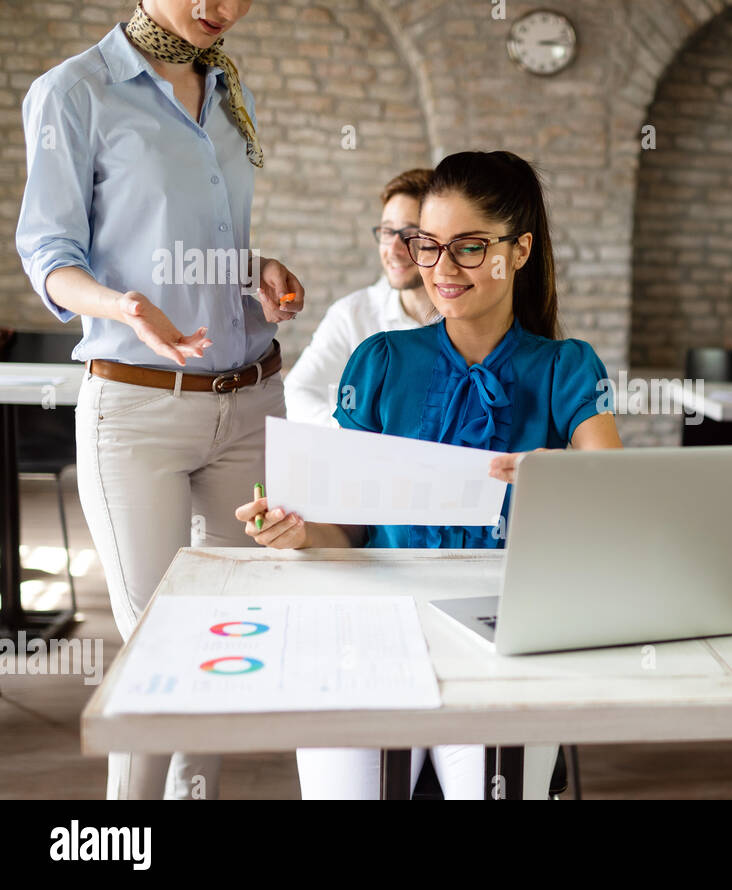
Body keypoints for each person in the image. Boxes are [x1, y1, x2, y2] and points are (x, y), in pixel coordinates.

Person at [235, 150, 622, 799]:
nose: (442, 269)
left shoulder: (568, 368)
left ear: (519, 250)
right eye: (428, 246)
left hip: (506, 632)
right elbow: (349, 532)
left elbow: (615, 491)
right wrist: (302, 534)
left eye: (469, 248)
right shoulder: (380, 360)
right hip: (376, 627)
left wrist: (562, 480)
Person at [15, 0, 304, 800]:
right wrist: (121, 305)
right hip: (137, 412)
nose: (221, 9)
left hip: (250, 403)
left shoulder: (222, 87)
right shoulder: (76, 91)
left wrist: (258, 272)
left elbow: (202, 247)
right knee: (158, 641)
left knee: (223, 638)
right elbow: (48, 253)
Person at [284, 169, 441, 426]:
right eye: (388, 232)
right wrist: (356, 434)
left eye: (410, 234)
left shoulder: (467, 316)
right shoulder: (352, 314)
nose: (393, 249)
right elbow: (297, 392)